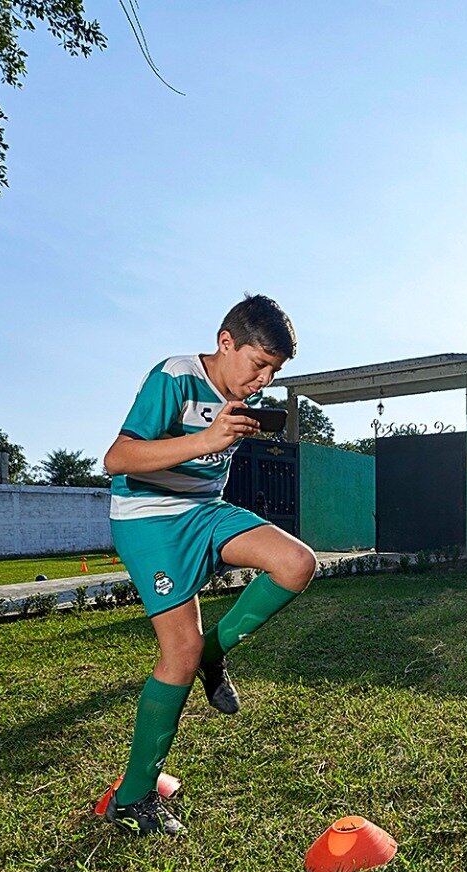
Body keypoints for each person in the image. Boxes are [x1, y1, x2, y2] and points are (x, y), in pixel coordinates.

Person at [100, 294, 316, 835]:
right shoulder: (174, 376)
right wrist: (207, 437)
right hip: (149, 518)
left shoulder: (242, 398)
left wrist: (224, 437)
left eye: (274, 370)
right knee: (178, 651)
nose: (263, 379)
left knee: (296, 563)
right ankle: (132, 799)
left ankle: (212, 656)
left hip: (206, 510)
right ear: (226, 343)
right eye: (258, 363)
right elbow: (117, 459)